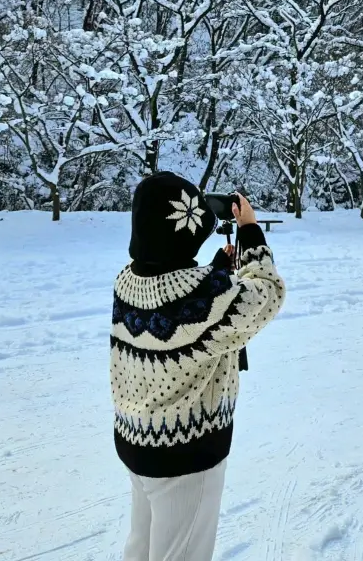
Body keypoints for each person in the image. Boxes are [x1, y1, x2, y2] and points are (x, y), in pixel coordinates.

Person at [110, 172, 286, 561]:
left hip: (139, 441)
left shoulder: (126, 281)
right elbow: (266, 295)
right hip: (185, 453)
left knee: (141, 546)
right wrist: (251, 232)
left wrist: (213, 272)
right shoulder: (204, 296)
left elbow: (178, 311)